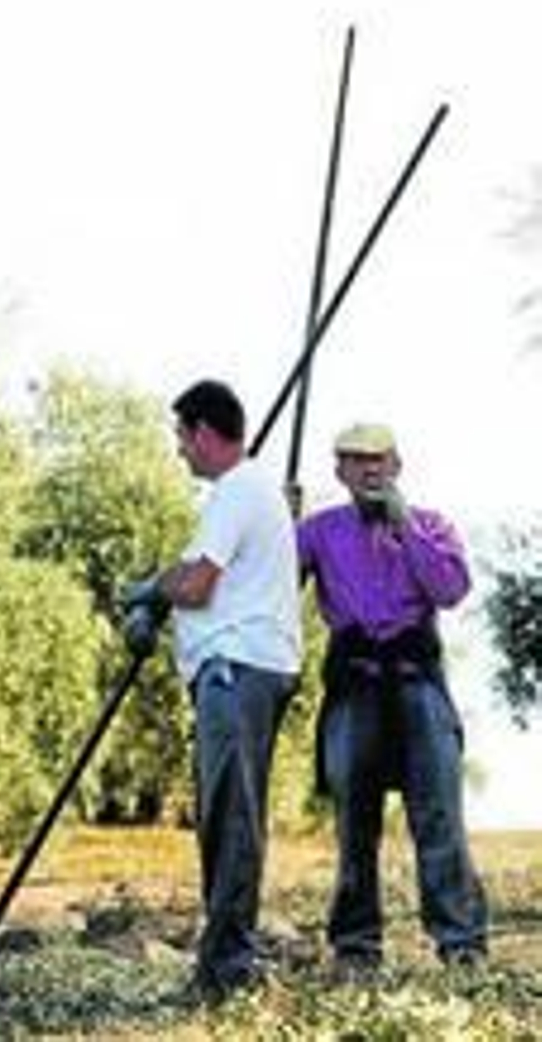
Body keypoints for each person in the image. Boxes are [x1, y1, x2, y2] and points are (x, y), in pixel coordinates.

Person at [123, 379, 303, 997]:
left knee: (230, 821)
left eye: (180, 436)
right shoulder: (252, 491)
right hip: (243, 670)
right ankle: (225, 965)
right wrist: (159, 600)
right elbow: (208, 580)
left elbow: (197, 584)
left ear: (203, 432)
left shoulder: (237, 490)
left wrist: (148, 589)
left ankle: (227, 972)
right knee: (228, 817)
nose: (179, 451)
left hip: (237, 671)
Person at [297, 422, 488, 972]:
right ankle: (356, 949)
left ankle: (462, 947)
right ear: (341, 472)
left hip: (418, 682)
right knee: (355, 825)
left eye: (380, 459)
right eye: (357, 461)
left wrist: (405, 527)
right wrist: (275, 526)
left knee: (439, 819)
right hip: (354, 683)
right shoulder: (318, 530)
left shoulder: (432, 526)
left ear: (398, 465)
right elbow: (272, 581)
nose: (371, 469)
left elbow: (450, 590)